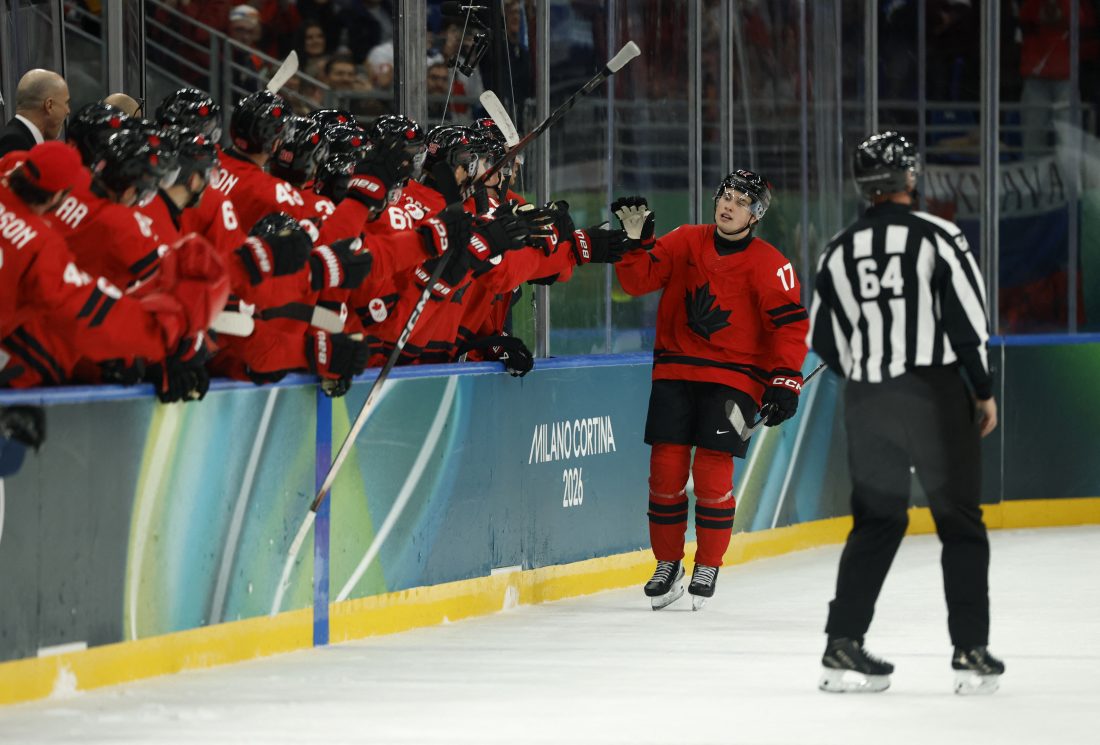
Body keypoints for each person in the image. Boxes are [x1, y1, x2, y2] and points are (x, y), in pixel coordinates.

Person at [807, 131, 1004, 695]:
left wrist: (867, 377)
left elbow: (822, 336)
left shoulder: (838, 249)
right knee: (959, 520)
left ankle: (842, 641)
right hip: (936, 394)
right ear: (909, 178)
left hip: (867, 398)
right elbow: (968, 321)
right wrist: (982, 390)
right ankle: (970, 649)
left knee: (879, 521)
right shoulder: (939, 236)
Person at [613, 171, 810, 611]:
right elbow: (637, 282)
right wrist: (635, 245)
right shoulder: (684, 240)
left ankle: (708, 562)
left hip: (735, 378)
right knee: (665, 472)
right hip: (676, 371)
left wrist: (784, 378)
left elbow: (789, 326)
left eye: (741, 200)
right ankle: (667, 563)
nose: (728, 205)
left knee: (712, 474)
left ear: (755, 214)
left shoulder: (770, 264)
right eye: (725, 196)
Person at [0, 70, 70, 156]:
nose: (68, 111)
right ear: (49, 105)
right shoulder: (14, 142)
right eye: (66, 103)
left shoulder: (21, 139)